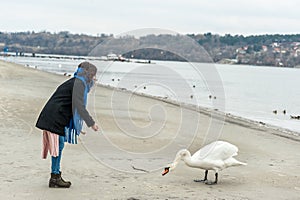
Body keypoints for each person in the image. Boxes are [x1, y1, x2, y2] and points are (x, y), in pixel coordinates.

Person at [36, 61, 99, 188]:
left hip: (55, 116)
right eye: (93, 75)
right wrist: (91, 123)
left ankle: (55, 176)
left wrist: (77, 125)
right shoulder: (79, 84)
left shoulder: (76, 82)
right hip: (54, 117)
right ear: (88, 74)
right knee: (57, 147)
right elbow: (79, 106)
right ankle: (55, 177)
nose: (94, 78)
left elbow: (72, 104)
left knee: (59, 145)